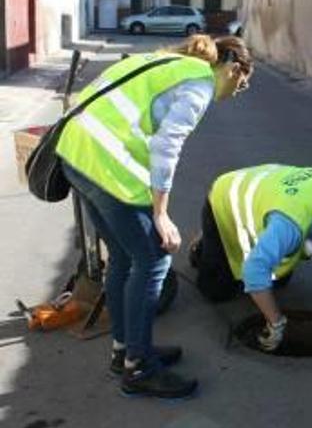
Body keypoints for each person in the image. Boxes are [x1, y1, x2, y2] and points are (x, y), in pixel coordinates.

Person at [56, 35, 253, 399]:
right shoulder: (199, 84)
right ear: (232, 68)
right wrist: (160, 214)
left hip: (75, 156)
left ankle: (125, 351)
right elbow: (166, 147)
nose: (236, 92)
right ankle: (139, 368)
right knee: (155, 260)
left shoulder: (163, 61)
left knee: (123, 257)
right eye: (240, 85)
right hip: (105, 168)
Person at [190, 164, 312, 351]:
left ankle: (258, 246)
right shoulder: (289, 225)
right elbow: (254, 270)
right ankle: (204, 243)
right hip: (228, 197)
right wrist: (275, 321)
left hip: (272, 193)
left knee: (278, 281)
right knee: (215, 290)